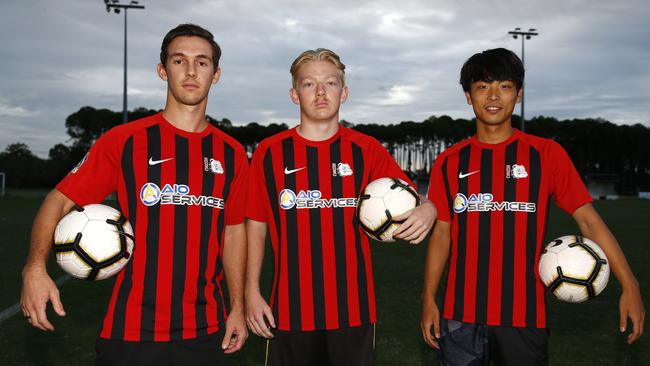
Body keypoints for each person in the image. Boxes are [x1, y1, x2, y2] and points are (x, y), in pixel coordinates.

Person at [20, 24, 249, 365]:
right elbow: (60, 200)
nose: (190, 71)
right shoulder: (125, 141)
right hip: (131, 333)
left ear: (216, 75)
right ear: (162, 70)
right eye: (179, 60)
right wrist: (34, 270)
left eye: (202, 62)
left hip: (207, 332)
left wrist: (238, 307)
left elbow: (233, 232)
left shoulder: (231, 153)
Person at [420, 47, 645, 365]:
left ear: (519, 94)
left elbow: (589, 222)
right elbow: (442, 234)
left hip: (524, 317)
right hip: (460, 318)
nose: (493, 96)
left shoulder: (546, 155)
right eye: (482, 87)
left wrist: (630, 284)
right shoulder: (449, 161)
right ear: (468, 96)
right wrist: (429, 297)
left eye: (505, 86)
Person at [244, 48, 436, 366]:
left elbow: (414, 200)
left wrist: (427, 209)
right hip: (288, 312)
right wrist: (252, 292)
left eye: (330, 83)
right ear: (295, 94)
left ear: (343, 92)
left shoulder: (367, 151)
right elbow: (255, 224)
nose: (320, 92)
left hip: (353, 312)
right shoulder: (270, 152)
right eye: (309, 84)